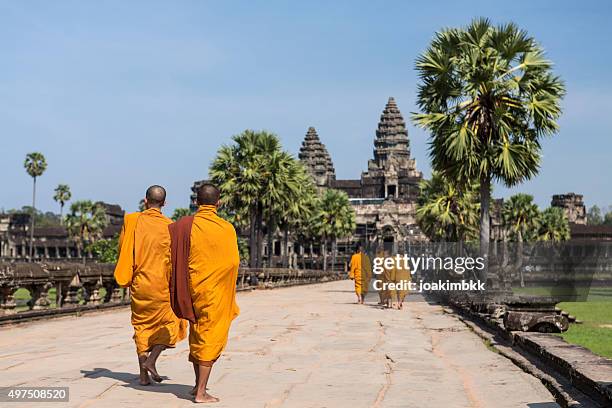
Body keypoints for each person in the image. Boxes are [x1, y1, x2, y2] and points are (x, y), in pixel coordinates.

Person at [169, 183, 240, 403]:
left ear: (196, 202)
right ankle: (201, 392)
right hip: (215, 292)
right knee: (209, 336)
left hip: (194, 290)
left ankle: (197, 385)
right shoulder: (226, 228)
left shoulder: (185, 225)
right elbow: (233, 262)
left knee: (198, 333)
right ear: (218, 203)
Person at [114, 185, 187, 385]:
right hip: (162, 285)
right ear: (164, 203)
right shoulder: (171, 226)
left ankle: (144, 376)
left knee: (141, 327)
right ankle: (152, 359)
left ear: (145, 200)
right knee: (172, 324)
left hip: (140, 284)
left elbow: (124, 248)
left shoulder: (132, 221)